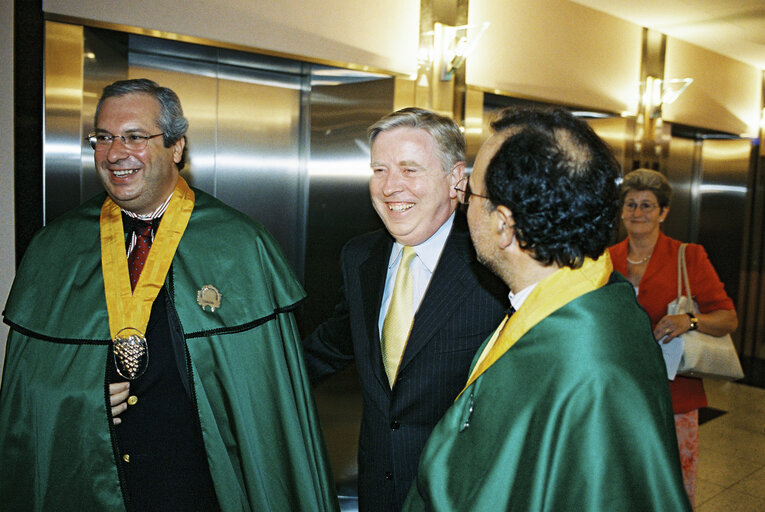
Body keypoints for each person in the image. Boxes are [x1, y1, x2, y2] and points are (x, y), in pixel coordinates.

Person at [0, 78, 338, 511]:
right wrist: (83, 396)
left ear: (177, 147)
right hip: (86, 483)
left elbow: (265, 408)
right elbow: (26, 399)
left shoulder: (240, 245)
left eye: (136, 137)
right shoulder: (54, 248)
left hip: (201, 490)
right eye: (103, 137)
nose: (116, 153)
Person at [404, 107, 692, 511]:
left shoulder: (588, 367)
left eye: (470, 192)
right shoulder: (592, 297)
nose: (461, 200)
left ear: (504, 226)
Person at [302, 107, 508, 512]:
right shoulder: (360, 256)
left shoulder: (494, 265)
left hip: (467, 493)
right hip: (380, 488)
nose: (390, 186)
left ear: (456, 180)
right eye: (379, 170)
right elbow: (334, 343)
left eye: (410, 169)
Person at [609, 168, 737, 506]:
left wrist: (690, 320)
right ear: (621, 210)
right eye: (631, 204)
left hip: (675, 394)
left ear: (663, 212)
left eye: (647, 206)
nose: (637, 213)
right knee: (622, 483)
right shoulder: (606, 260)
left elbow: (728, 318)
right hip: (619, 393)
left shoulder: (688, 256)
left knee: (674, 487)